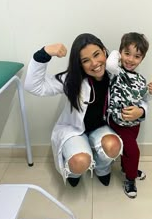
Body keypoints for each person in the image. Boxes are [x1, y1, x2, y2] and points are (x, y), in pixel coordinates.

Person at [24, 33, 123, 187]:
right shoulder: (72, 79)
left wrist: (142, 110)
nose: (94, 63)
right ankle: (76, 171)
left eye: (97, 54)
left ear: (104, 51)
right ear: (80, 64)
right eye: (86, 60)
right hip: (75, 130)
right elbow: (34, 87)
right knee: (80, 162)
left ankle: (102, 168)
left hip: (101, 128)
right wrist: (44, 53)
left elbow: (136, 93)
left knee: (113, 145)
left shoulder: (115, 75)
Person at [106, 32, 152, 199]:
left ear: (142, 59)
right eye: (127, 53)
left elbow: (144, 99)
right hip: (118, 122)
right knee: (133, 151)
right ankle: (130, 178)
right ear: (120, 53)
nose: (130, 59)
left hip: (134, 124)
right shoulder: (115, 72)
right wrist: (116, 52)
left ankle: (127, 168)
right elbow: (110, 64)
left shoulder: (141, 79)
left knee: (128, 150)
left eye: (137, 56)